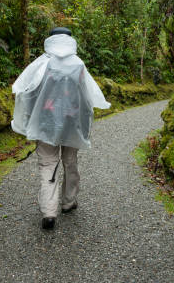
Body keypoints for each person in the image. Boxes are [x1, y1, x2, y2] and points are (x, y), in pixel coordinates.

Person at [11, 27, 110, 229]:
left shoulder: (42, 63)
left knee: (48, 164)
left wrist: (30, 121)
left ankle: (49, 213)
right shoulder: (78, 64)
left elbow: (25, 91)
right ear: (70, 40)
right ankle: (68, 202)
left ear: (50, 40)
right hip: (72, 124)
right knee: (70, 162)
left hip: (45, 124)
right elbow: (87, 97)